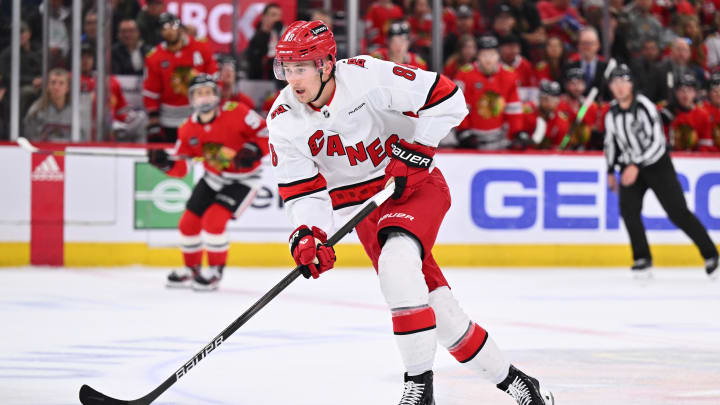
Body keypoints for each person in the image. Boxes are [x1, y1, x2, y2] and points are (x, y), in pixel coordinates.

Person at [266, 20, 555, 405]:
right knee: (442, 314)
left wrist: (420, 149)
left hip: (413, 186)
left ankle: (419, 388)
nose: (292, 79)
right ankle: (520, 384)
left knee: (397, 265)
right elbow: (303, 191)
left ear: (326, 65)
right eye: (286, 69)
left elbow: (449, 97)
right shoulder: (283, 118)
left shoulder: (367, 77)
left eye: (300, 68)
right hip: (363, 211)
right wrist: (308, 234)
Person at [148, 74, 269, 291]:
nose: (204, 97)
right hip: (213, 177)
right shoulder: (187, 129)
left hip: (244, 179)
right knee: (187, 223)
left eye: (208, 92)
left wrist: (255, 149)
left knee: (213, 221)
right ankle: (191, 269)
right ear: (191, 99)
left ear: (217, 95)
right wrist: (165, 164)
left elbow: (266, 132)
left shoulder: (237, 111)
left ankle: (214, 271)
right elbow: (182, 167)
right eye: (199, 93)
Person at [604, 64, 719, 279]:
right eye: (615, 82)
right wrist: (610, 170)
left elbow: (658, 141)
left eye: (624, 82)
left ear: (631, 84)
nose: (620, 87)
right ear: (610, 86)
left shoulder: (645, 106)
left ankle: (711, 254)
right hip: (631, 168)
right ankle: (642, 257)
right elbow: (611, 142)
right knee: (628, 210)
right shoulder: (611, 113)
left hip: (657, 165)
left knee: (677, 212)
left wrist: (636, 165)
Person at [143, 12, 218, 143]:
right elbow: (151, 91)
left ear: (180, 28)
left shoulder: (201, 47)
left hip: (199, 113)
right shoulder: (154, 57)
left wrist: (213, 107)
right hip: (169, 118)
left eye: (172, 26)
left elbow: (214, 78)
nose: (169, 31)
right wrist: (153, 121)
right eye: (164, 29)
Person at [454, 35, 524, 149]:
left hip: (500, 138)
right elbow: (459, 107)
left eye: (492, 54)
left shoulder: (509, 75)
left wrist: (517, 132)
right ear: (477, 56)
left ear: (498, 56)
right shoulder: (464, 74)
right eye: (484, 55)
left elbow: (514, 108)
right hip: (472, 136)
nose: (488, 59)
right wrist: (463, 131)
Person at [23, 67, 74, 141]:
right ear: (47, 86)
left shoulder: (76, 111)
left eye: (61, 83)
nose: (56, 87)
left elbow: (83, 137)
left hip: (69, 151)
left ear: (67, 88)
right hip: (44, 151)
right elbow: (30, 138)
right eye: (53, 82)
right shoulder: (36, 110)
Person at [245, 3, 284, 80]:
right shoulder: (256, 40)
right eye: (273, 15)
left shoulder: (280, 36)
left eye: (279, 16)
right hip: (260, 81)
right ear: (264, 17)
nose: (277, 19)